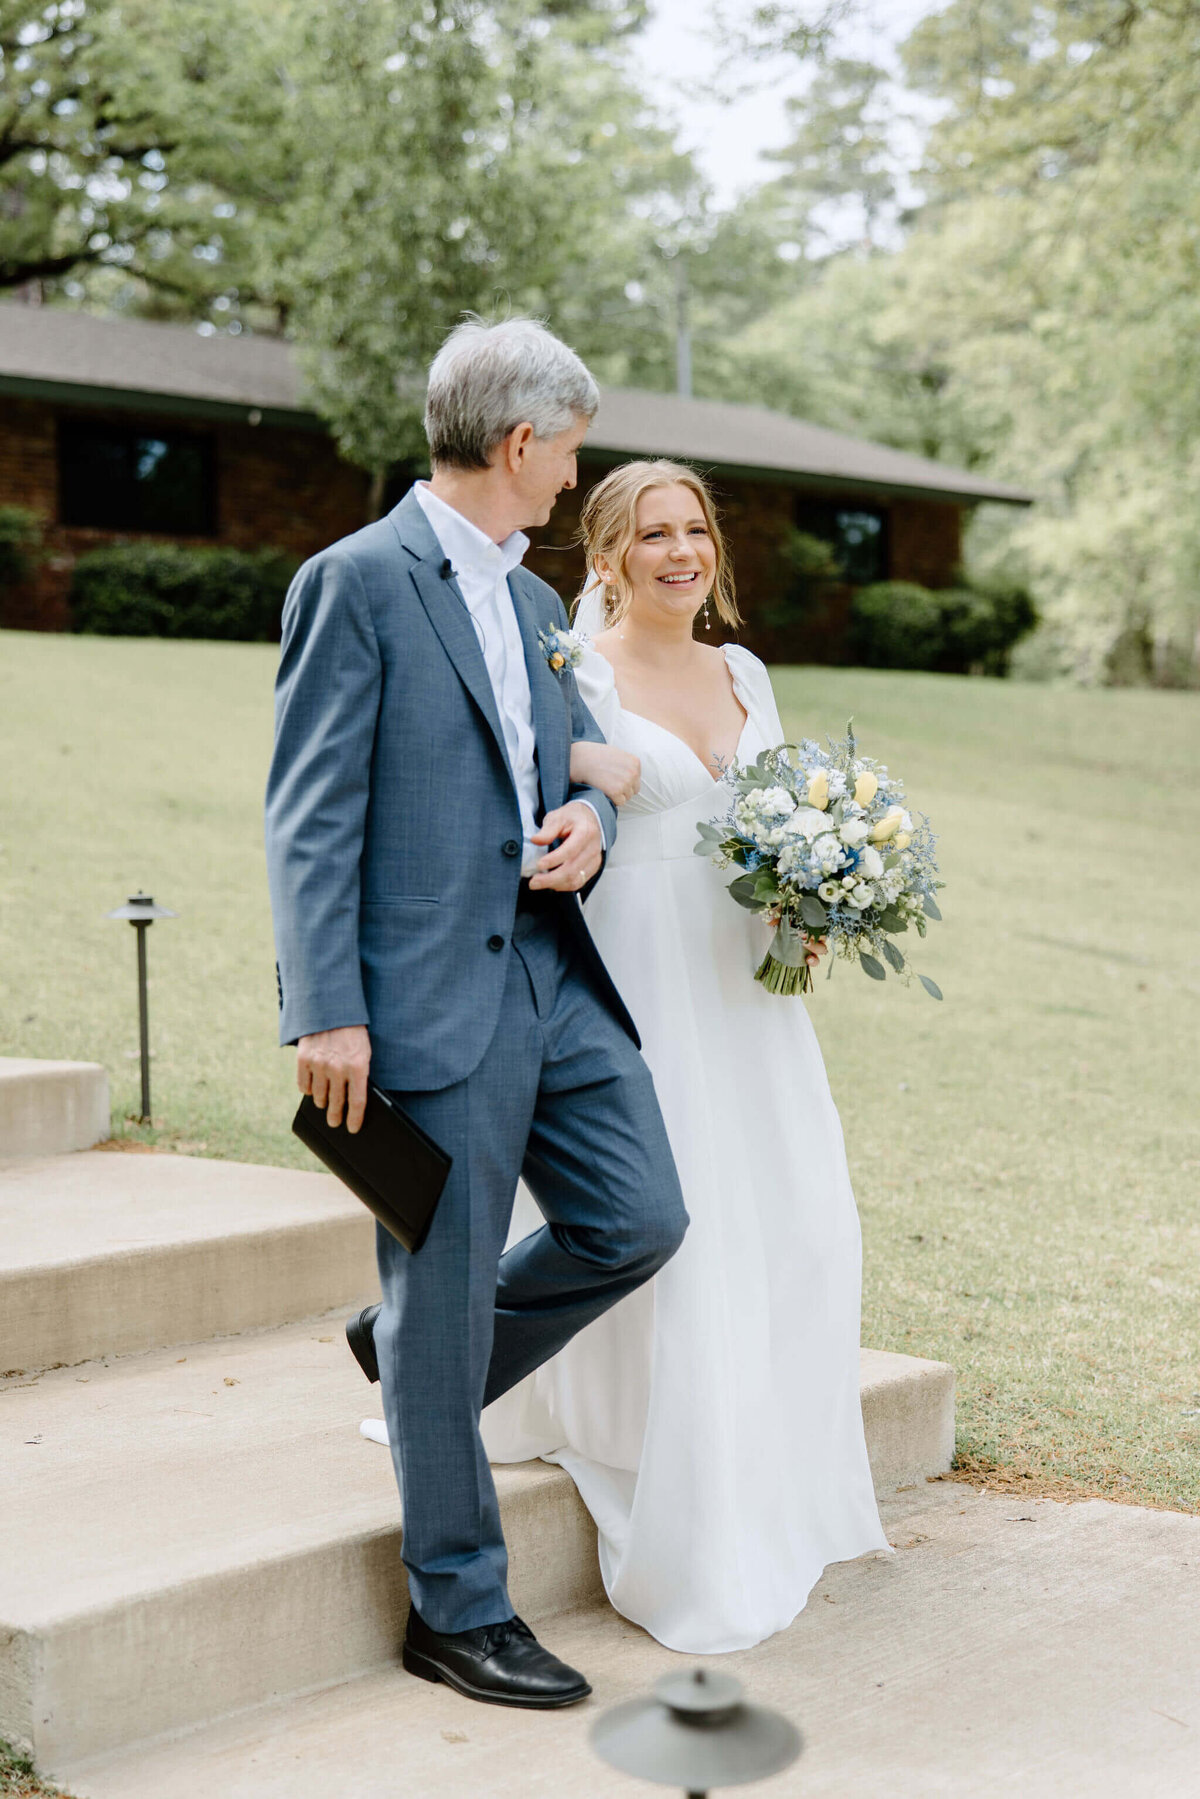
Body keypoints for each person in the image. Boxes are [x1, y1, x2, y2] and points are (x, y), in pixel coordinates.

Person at [264, 323, 687, 1710]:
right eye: (568, 448)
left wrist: (589, 812)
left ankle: (412, 1355)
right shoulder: (358, 582)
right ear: (519, 444)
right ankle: (459, 1606)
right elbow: (311, 813)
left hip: (553, 980)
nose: (577, 477)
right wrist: (328, 1009)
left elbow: (547, 764)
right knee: (439, 1295)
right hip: (423, 999)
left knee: (638, 1215)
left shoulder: (529, 604)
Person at [478, 459, 891, 1653]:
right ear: (604, 554)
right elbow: (539, 818)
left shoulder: (745, 669)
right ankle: (654, 1450)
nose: (678, 552)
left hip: (750, 988)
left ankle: (775, 1447)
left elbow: (776, 815)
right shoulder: (574, 669)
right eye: (650, 534)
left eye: (693, 530)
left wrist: (812, 896)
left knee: (800, 1214)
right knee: (675, 1211)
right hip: (636, 972)